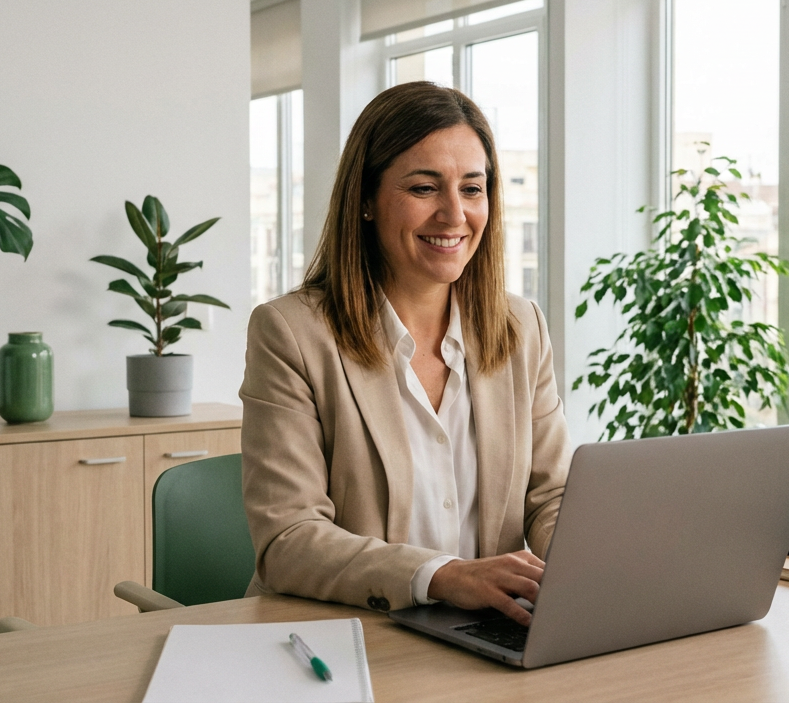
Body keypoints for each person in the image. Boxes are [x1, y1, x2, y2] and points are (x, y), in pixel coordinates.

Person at [239, 82, 572, 627]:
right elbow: (289, 538)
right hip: (347, 636)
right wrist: (443, 577)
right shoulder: (291, 333)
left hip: (491, 633)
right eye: (424, 188)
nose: (454, 214)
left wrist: (578, 564)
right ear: (366, 200)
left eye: (472, 188)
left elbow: (551, 496)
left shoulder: (521, 329)